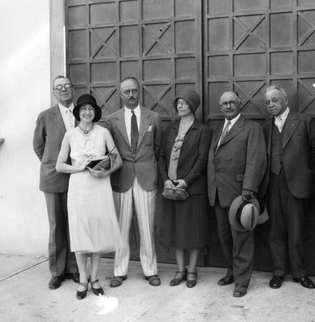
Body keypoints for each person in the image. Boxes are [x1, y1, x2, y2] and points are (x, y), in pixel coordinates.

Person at [56, 94, 123, 299]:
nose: (87, 112)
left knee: (98, 233)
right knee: (81, 232)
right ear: (78, 113)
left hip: (99, 187)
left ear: (95, 112)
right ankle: (83, 280)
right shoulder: (70, 135)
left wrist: (105, 172)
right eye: (83, 109)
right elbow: (59, 166)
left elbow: (117, 159)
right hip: (79, 188)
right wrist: (79, 167)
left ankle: (94, 278)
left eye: (91, 109)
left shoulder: (103, 133)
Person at [98, 77, 162, 287]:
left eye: (134, 91)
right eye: (127, 91)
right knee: (121, 226)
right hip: (122, 177)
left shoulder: (154, 117)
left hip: (146, 176)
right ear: (120, 94)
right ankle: (119, 270)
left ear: (139, 92)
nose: (131, 95)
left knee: (147, 227)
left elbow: (158, 147)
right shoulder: (111, 119)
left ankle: (150, 270)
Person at [262, 85, 315, 290]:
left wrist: (303, 173)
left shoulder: (303, 121)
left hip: (297, 184)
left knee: (297, 231)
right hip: (273, 185)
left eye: (275, 100)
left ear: (285, 100)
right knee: (275, 231)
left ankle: (300, 273)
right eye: (268, 102)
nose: (271, 105)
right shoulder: (265, 127)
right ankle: (278, 272)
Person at [207, 91, 267, 297]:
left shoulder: (252, 128)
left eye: (232, 102)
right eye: (224, 103)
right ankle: (232, 272)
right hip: (218, 193)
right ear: (220, 106)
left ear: (240, 104)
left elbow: (256, 160)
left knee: (242, 239)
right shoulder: (217, 130)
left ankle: (242, 282)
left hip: (240, 194)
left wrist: (248, 190)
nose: (228, 106)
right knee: (225, 238)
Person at [158, 90, 211, 288]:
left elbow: (202, 159)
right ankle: (180, 270)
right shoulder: (170, 128)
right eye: (178, 103)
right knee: (176, 231)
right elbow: (162, 156)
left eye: (184, 103)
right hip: (170, 188)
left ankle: (192, 270)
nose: (180, 106)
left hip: (192, 190)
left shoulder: (203, 130)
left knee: (194, 232)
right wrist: (165, 179)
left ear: (193, 106)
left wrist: (186, 181)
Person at [33, 76, 79, 290]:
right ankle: (57, 272)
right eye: (59, 87)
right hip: (53, 178)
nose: (64, 90)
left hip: (78, 178)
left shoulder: (83, 112)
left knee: (74, 225)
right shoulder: (45, 116)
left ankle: (74, 268)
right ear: (54, 92)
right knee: (56, 226)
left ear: (73, 89)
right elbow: (38, 146)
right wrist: (52, 163)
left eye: (67, 86)